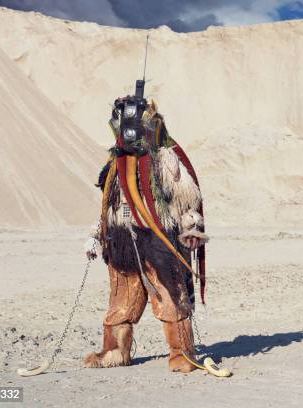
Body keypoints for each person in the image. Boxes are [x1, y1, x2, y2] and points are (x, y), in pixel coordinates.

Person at [82, 92, 208, 373]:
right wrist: (97, 234)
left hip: (158, 239)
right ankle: (115, 351)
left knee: (169, 297)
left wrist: (190, 229)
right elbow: (109, 203)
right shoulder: (115, 163)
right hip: (121, 240)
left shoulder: (166, 159)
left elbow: (186, 199)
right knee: (121, 299)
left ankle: (181, 353)